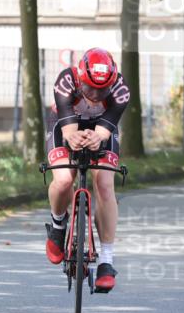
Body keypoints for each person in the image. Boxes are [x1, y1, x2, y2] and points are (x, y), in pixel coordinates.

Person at [44, 48, 130, 292]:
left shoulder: (121, 90)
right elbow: (69, 133)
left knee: (104, 183)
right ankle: (58, 226)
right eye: (89, 88)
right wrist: (73, 137)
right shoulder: (66, 80)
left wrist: (97, 138)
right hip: (65, 123)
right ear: (80, 77)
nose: (94, 95)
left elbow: (104, 132)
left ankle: (106, 259)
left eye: (101, 91)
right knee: (63, 179)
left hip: (101, 128)